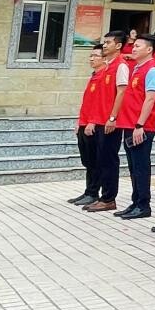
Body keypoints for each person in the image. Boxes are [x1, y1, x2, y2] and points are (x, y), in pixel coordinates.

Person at [114, 34, 155, 220]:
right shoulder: (137, 68)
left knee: (141, 167)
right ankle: (135, 202)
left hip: (141, 127)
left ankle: (143, 205)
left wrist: (140, 124)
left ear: (149, 50)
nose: (133, 49)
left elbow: (150, 99)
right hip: (129, 125)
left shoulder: (152, 71)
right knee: (133, 166)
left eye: (138, 46)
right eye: (133, 46)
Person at [84, 32, 128, 212]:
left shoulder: (121, 66)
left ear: (118, 45)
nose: (104, 45)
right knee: (101, 159)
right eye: (104, 42)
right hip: (100, 121)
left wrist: (113, 117)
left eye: (108, 42)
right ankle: (102, 196)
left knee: (109, 160)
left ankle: (109, 198)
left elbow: (122, 92)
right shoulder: (107, 66)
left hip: (110, 122)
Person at [68, 44, 106, 207]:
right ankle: (88, 191)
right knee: (87, 160)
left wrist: (93, 121)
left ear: (104, 58)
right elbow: (87, 102)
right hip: (84, 122)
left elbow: (101, 103)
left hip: (93, 124)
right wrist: (80, 122)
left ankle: (93, 192)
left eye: (96, 56)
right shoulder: (94, 76)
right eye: (91, 55)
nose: (91, 58)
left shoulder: (104, 76)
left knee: (94, 160)